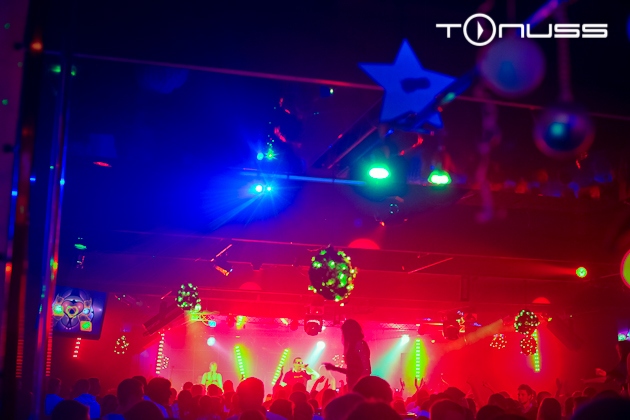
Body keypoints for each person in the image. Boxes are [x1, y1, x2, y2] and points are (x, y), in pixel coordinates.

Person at [323, 319, 371, 390]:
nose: (344, 335)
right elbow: (353, 371)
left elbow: (365, 369)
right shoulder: (354, 345)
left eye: (345, 332)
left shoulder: (359, 344)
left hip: (359, 386)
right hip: (355, 385)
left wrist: (361, 383)